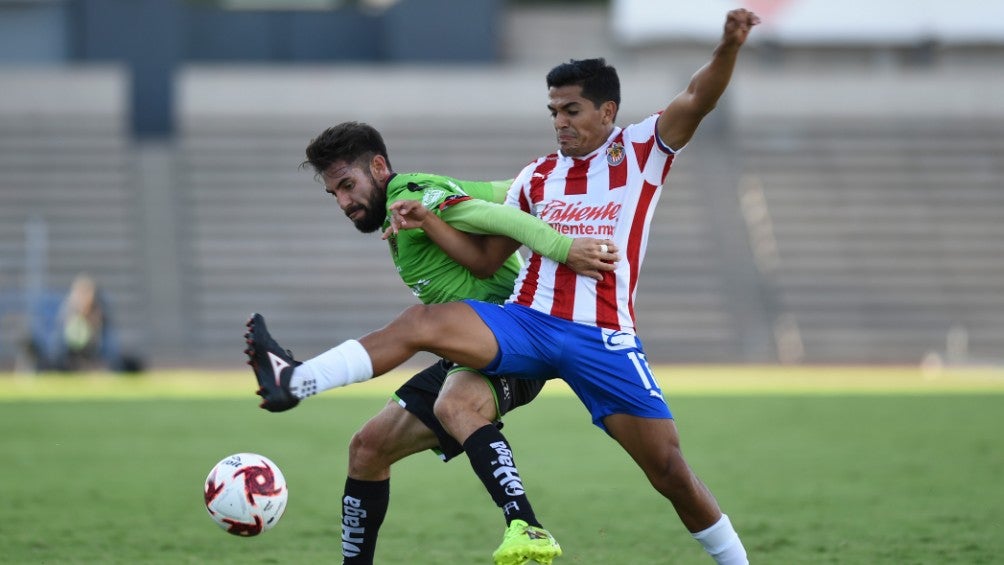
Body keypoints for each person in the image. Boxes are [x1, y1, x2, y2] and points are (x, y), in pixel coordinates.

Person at [246, 9, 758, 564]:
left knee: (670, 472)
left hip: (602, 334)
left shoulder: (640, 151)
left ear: (607, 110)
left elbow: (698, 98)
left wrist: (728, 46)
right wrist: (435, 223)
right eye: (553, 111)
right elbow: (488, 262)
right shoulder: (538, 176)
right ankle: (296, 381)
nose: (560, 121)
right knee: (425, 340)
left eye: (572, 110)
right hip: (528, 322)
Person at [260, 121, 616, 565]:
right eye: (335, 194)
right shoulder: (417, 198)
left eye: (349, 185)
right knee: (368, 449)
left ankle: (528, 527)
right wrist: (553, 181)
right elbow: (506, 192)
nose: (345, 202)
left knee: (450, 395)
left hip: (516, 340)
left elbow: (503, 217)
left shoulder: (409, 190)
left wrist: (565, 248)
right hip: (468, 350)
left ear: (378, 166)